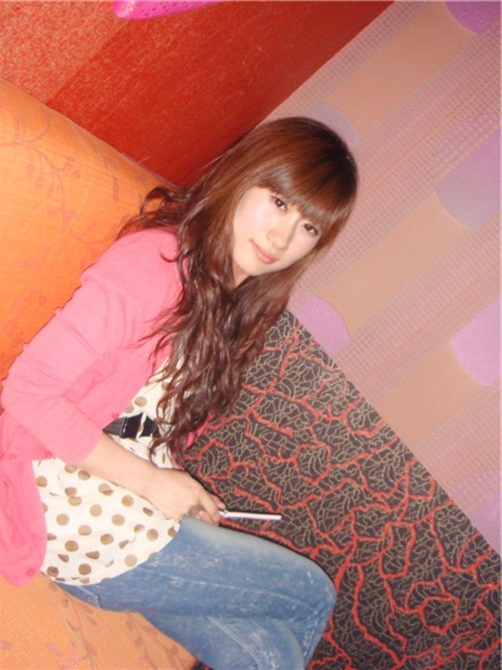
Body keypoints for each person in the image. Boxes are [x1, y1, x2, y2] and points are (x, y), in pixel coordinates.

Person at [0, 117, 358, 669]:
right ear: (244, 176)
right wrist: (152, 483)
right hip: (60, 503)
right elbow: (28, 392)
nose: (281, 239)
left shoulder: (233, 309)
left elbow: (144, 425)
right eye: (279, 202)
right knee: (311, 593)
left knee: (272, 655)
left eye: (309, 227)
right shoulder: (157, 263)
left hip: (115, 507)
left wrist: (180, 488)